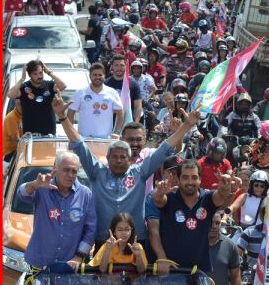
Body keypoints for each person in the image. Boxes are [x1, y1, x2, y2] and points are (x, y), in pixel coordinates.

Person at [53, 90, 200, 251]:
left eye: (123, 157)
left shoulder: (140, 172)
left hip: (136, 240)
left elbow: (166, 147)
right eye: (114, 157)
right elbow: (78, 143)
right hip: (104, 239)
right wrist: (62, 117)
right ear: (107, 159)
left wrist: (187, 125)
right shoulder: (97, 172)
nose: (118, 160)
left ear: (129, 160)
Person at [153, 160, 241, 273]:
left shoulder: (208, 198)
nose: (190, 182)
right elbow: (158, 199)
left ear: (200, 179)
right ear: (178, 180)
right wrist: (160, 191)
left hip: (199, 272)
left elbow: (221, 196)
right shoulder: (170, 198)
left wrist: (226, 187)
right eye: (185, 177)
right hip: (171, 272)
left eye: (194, 177)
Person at [17, 152, 96, 271]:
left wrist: (79, 257)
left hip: (70, 265)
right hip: (39, 263)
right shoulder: (42, 187)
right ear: (55, 169)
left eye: (74, 171)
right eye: (66, 170)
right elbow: (21, 194)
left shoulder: (85, 194)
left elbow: (91, 230)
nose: (70, 175)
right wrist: (34, 185)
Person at [7, 60, 67, 136]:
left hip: (49, 134)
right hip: (30, 135)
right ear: (30, 75)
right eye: (35, 74)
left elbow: (63, 86)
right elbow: (10, 95)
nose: (39, 76)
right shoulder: (24, 87)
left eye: (41, 73)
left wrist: (49, 72)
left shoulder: (50, 85)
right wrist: (22, 79)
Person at [145, 154, 183, 270]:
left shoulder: (189, 194)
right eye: (172, 172)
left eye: (179, 172)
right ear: (162, 171)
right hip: (160, 259)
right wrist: (162, 258)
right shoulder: (153, 197)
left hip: (184, 259)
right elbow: (153, 231)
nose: (175, 177)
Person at [67, 62, 124, 138]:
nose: (97, 77)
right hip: (84, 138)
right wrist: (72, 133)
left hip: (105, 139)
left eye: (100, 75)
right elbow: (70, 113)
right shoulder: (80, 93)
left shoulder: (112, 93)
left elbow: (120, 114)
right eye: (95, 75)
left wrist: (117, 132)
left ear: (104, 76)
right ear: (90, 76)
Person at [207, 210, 241, 285]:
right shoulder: (193, 243)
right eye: (210, 223)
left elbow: (236, 276)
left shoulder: (230, 246)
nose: (214, 226)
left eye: (217, 223)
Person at [105, 54, 143, 123]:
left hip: (127, 123)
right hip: (108, 124)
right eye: (116, 65)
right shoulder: (105, 84)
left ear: (126, 66)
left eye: (122, 65)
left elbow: (138, 107)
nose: (119, 68)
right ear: (112, 67)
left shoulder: (133, 84)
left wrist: (135, 124)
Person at [3, 99, 23, 168]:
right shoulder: (11, 117)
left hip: (19, 152)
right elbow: (16, 141)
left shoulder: (26, 115)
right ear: (15, 103)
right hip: (9, 156)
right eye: (19, 104)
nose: (21, 106)